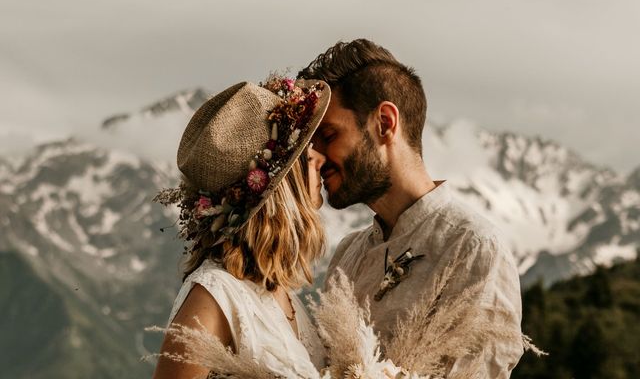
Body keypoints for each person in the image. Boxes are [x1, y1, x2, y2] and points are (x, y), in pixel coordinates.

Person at [298, 39, 524, 378]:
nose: (315, 157)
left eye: (327, 135)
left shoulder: (473, 246)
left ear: (385, 123)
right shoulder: (347, 254)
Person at [152, 77, 330, 379]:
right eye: (307, 152)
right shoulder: (212, 297)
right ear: (285, 183)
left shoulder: (282, 293)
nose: (320, 159)